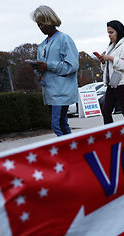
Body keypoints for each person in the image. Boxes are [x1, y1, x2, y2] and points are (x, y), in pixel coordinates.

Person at [30, 5, 79, 137]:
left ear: (50, 21)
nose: (40, 28)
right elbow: (43, 67)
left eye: (42, 24)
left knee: (58, 125)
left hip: (62, 91)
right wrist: (38, 69)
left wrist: (48, 66)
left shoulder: (64, 39)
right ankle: (72, 151)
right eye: (38, 25)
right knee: (62, 124)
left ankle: (69, 152)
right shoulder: (42, 45)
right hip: (50, 92)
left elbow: (72, 65)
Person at [96, 20, 124, 124]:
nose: (109, 35)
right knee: (106, 111)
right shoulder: (110, 47)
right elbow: (106, 68)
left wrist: (111, 58)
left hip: (123, 82)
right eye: (108, 32)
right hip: (112, 83)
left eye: (111, 32)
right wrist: (103, 61)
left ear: (118, 31)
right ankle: (111, 136)